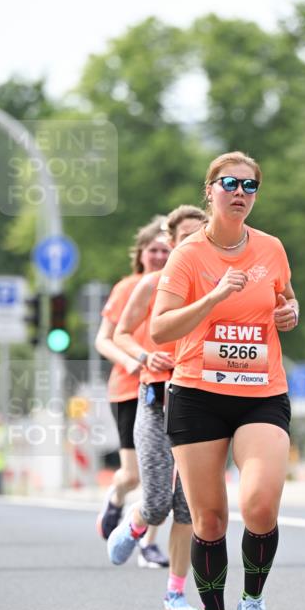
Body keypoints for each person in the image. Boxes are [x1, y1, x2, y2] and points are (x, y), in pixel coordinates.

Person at [148, 151, 298, 610]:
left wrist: (289, 313)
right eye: (229, 183)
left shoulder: (272, 249)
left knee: (260, 503)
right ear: (208, 189)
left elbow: (285, 300)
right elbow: (161, 328)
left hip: (261, 392)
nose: (240, 192)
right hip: (198, 395)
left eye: (250, 186)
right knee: (210, 519)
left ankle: (251, 604)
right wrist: (212, 297)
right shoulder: (188, 256)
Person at [108, 206, 207, 610]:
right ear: (170, 240)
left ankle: (175, 596)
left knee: (188, 509)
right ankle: (134, 523)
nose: (188, 243)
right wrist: (147, 356)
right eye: (181, 237)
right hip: (154, 399)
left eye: (197, 234)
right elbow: (120, 333)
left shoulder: (214, 285)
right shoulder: (153, 284)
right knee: (156, 503)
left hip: (201, 404)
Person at [94, 217, 169, 565]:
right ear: (140, 253)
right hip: (129, 387)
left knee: (164, 474)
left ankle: (148, 544)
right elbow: (103, 339)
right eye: (152, 250)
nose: (158, 256)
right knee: (134, 474)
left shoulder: (177, 287)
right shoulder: (128, 288)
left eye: (164, 250)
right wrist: (131, 361)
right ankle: (116, 497)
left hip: (169, 386)